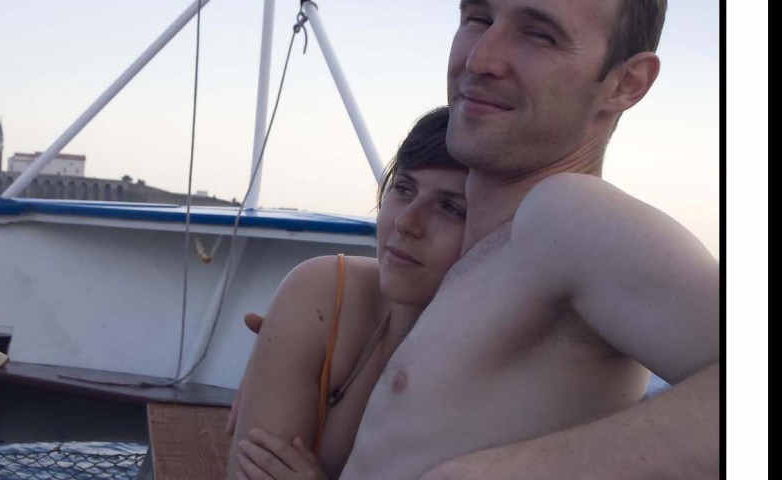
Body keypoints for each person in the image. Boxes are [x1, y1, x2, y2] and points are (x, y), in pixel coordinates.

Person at [236, 0, 719, 479]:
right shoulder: (495, 252)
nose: (480, 59)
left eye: (539, 34)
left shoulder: (570, 214)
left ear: (626, 83)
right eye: (478, 19)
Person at [226, 106, 470, 480]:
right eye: (404, 188)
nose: (406, 222)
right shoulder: (325, 293)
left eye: (451, 208)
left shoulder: (515, 366)